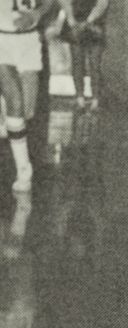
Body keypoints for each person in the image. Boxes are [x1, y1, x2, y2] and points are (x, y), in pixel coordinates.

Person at [0, 0, 54, 191]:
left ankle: (4, 110)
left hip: (29, 41)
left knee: (27, 112)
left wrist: (36, 15)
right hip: (2, 39)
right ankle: (24, 170)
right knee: (15, 101)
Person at [62, 0, 109, 111]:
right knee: (78, 62)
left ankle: (95, 101)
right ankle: (80, 100)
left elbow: (103, 3)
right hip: (76, 22)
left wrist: (88, 21)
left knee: (95, 64)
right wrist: (71, 20)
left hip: (94, 23)